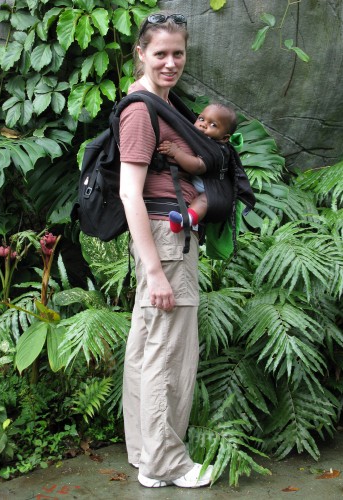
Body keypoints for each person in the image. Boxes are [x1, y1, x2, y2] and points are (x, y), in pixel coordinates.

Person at [119, 12, 214, 488]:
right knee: (168, 354)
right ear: (141, 53)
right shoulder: (142, 111)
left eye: (178, 53)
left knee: (147, 346)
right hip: (165, 241)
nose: (170, 62)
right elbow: (128, 193)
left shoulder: (162, 104)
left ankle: (145, 454)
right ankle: (166, 463)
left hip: (161, 238)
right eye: (160, 53)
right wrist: (155, 270)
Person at [157, 102, 237, 233]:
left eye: (213, 125)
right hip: (202, 186)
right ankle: (195, 224)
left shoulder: (217, 150)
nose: (203, 124)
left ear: (224, 138)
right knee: (199, 200)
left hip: (218, 195)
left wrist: (176, 152)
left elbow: (197, 167)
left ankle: (185, 220)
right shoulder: (200, 140)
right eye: (201, 119)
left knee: (203, 201)